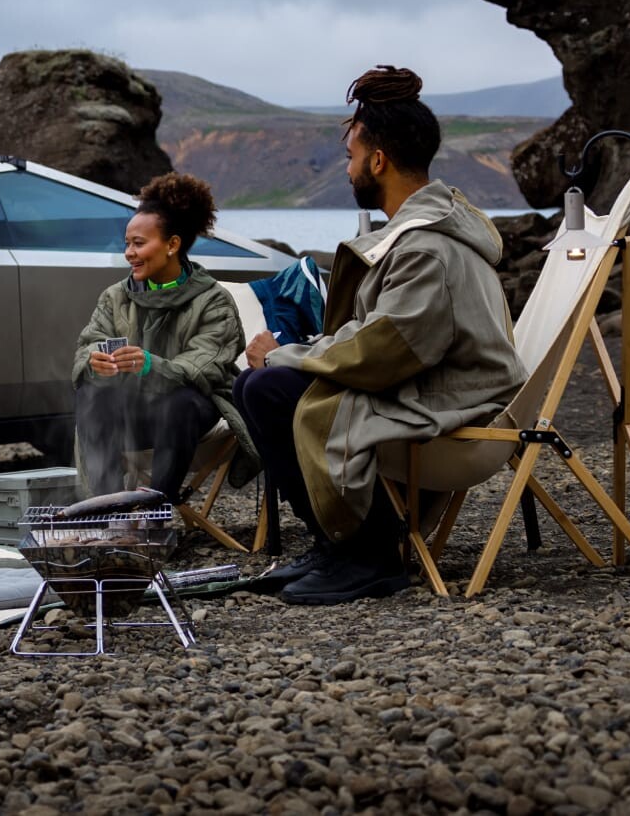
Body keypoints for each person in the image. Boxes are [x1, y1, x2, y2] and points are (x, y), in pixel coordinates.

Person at [233, 66, 526, 605]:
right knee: (257, 384)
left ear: (377, 161)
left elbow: (386, 348)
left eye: (351, 157)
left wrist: (282, 356)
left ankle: (369, 557)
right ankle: (334, 546)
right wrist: (292, 356)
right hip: (428, 383)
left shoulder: (426, 248)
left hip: (453, 402)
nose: (347, 170)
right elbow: (384, 337)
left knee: (268, 388)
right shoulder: (423, 233)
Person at [72, 172, 253, 502]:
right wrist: (94, 362)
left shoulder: (213, 301)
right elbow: (87, 346)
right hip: (135, 412)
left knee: (178, 403)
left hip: (191, 416)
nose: (129, 253)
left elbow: (203, 370)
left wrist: (148, 365)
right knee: (91, 395)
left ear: (172, 245)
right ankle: (108, 506)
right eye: (127, 243)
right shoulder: (115, 297)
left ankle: (153, 506)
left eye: (139, 243)